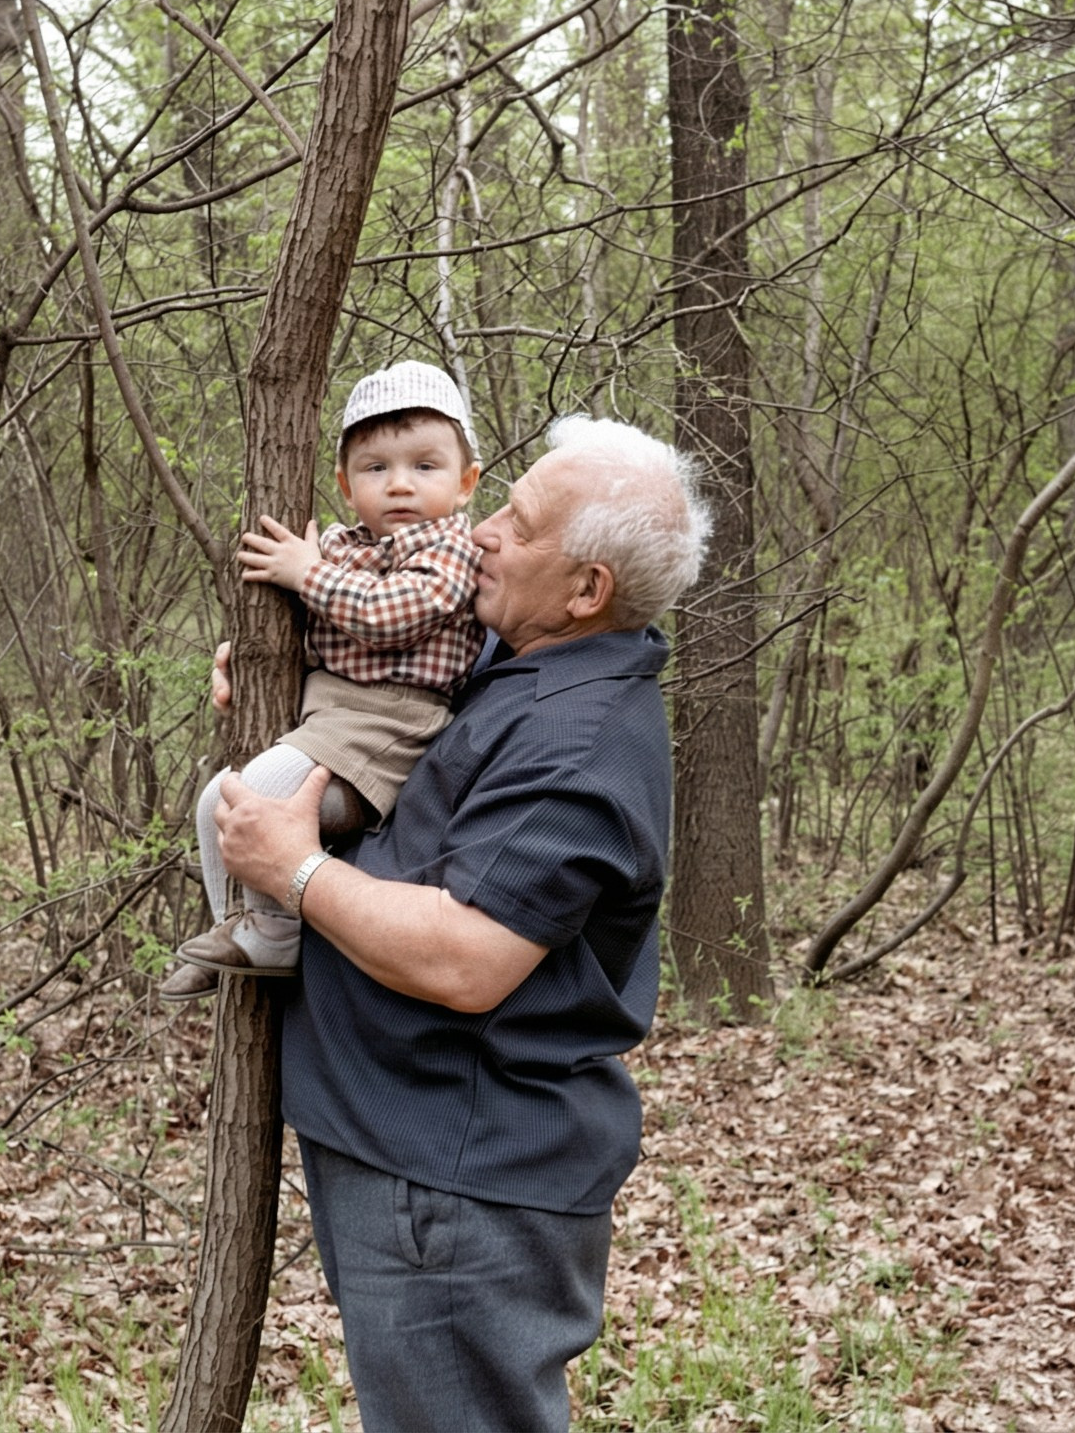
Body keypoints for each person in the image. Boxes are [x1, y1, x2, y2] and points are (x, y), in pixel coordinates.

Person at [209, 414, 711, 1433]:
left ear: (587, 591)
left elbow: (465, 957)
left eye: (518, 527)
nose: (481, 531)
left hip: (458, 1186)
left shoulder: (575, 743)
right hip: (417, 1161)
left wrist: (291, 869)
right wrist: (279, 682)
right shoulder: (523, 660)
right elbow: (388, 732)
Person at [162, 361, 488, 1002]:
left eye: (425, 467)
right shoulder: (341, 547)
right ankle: (244, 925)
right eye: (376, 468)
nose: (399, 485)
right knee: (216, 803)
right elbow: (303, 630)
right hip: (325, 719)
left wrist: (305, 574)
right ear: (345, 484)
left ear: (466, 481)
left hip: (391, 726)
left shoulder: (453, 549)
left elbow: (385, 616)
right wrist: (246, 661)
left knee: (250, 796)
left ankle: (274, 934)